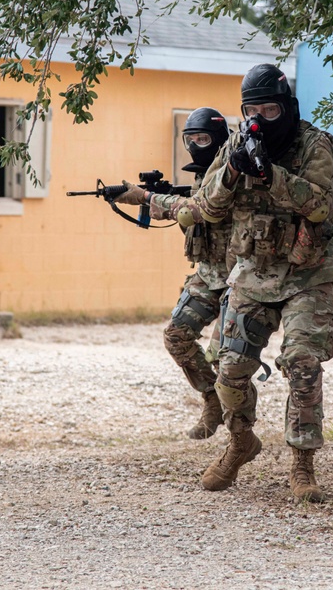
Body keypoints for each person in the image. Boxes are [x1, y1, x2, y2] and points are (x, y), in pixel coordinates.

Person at [120, 64, 333, 502]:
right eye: (252, 109)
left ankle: (302, 466)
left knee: (302, 362)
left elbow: (322, 207)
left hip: (306, 276)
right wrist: (234, 171)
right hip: (252, 276)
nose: (260, 118)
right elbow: (206, 208)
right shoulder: (236, 146)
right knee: (230, 371)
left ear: (287, 108)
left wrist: (270, 176)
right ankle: (241, 442)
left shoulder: (314, 145)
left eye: (269, 109)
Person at [119, 108, 234, 439]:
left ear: (220, 139)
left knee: (224, 355)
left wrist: (148, 197)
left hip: (240, 277)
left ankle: (240, 430)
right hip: (210, 274)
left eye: (204, 139)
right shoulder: (201, 176)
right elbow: (189, 211)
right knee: (176, 336)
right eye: (191, 139)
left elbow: (199, 210)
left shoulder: (231, 172)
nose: (197, 145)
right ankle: (211, 400)